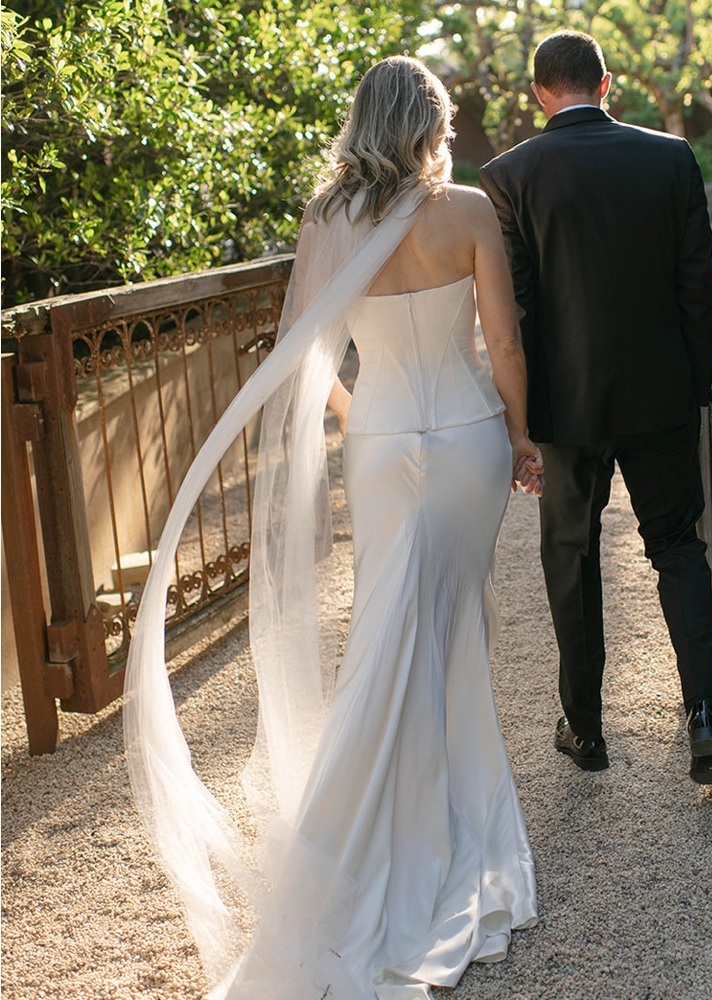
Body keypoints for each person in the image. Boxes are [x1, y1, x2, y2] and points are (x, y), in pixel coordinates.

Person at [124, 57, 542, 999]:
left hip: (384, 438)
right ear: (431, 122)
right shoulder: (469, 211)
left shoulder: (329, 220)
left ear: (363, 120)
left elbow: (303, 351)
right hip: (469, 438)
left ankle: (374, 834)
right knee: (447, 627)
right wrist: (521, 434)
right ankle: (448, 828)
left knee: (393, 625)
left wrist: (362, 418)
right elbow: (503, 343)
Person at [479, 29, 712, 785]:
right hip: (660, 396)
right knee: (679, 549)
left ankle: (585, 730)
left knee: (571, 555)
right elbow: (698, 287)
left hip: (565, 410)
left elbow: (516, 315)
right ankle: (705, 718)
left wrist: (520, 426)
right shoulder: (671, 158)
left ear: (538, 92)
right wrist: (695, 388)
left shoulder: (508, 176)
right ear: (606, 81)